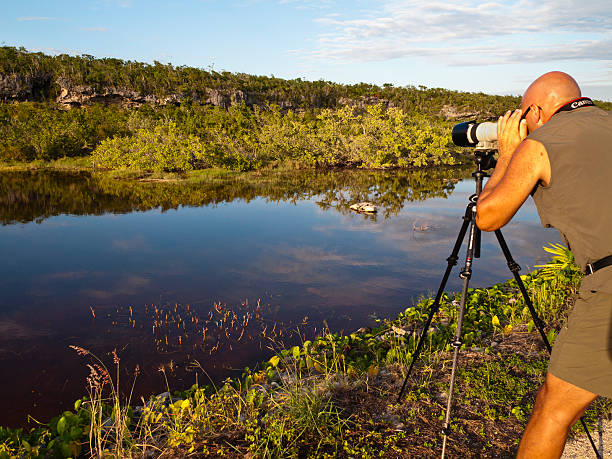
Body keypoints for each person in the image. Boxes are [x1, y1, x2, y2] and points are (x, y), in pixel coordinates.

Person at [476, 71, 612, 458]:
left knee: (551, 411)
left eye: (523, 114)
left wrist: (507, 154)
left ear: (535, 111)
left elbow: (487, 217)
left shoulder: (540, 143)